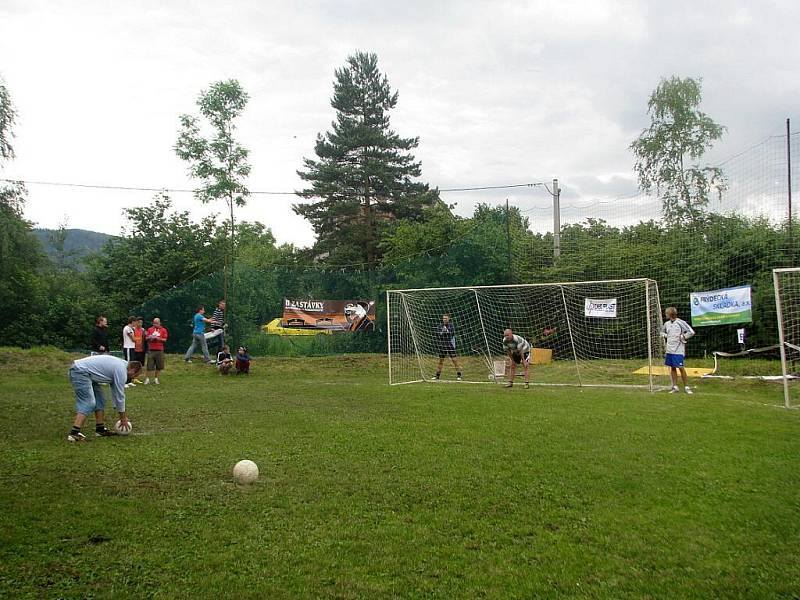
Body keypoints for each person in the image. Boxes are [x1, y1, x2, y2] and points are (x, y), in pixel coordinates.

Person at [67, 354, 142, 442]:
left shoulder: (123, 365)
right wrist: (123, 418)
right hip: (80, 371)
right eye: (135, 376)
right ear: (132, 370)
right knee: (88, 402)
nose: (133, 378)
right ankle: (74, 433)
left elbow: (115, 389)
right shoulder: (121, 370)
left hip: (86, 372)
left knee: (100, 400)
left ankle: (100, 429)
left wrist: (117, 408)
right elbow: (120, 395)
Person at [662, 306, 696, 394]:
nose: (665, 314)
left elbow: (691, 332)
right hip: (669, 349)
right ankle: (675, 387)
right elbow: (662, 332)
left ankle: (686, 387)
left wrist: (683, 337)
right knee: (672, 367)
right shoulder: (666, 324)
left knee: (680, 367)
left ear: (670, 314)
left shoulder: (681, 322)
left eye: (666, 313)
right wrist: (666, 336)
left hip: (678, 349)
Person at [433, 314, 462, 381]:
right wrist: (442, 332)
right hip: (442, 345)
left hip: (449, 345)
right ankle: (437, 376)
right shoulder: (440, 326)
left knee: (454, 360)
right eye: (443, 318)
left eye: (446, 318)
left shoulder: (451, 326)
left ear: (449, 319)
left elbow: (452, 334)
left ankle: (459, 375)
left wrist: (447, 331)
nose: (444, 319)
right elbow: (437, 334)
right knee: (441, 361)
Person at [144, 317, 168, 385]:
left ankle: (156, 379)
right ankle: (147, 379)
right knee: (149, 365)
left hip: (159, 350)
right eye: (154, 323)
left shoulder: (163, 330)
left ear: (159, 323)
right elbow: (146, 338)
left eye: (157, 323)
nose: (155, 324)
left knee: (159, 365)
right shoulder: (150, 329)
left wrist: (158, 338)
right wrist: (150, 337)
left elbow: (165, 339)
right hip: (151, 349)